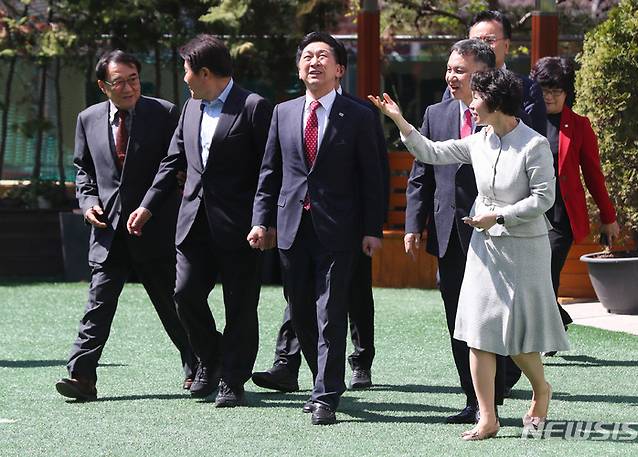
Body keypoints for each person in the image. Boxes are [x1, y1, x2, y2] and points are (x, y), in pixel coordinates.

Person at [370, 68, 570, 439]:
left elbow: (544, 199)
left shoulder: (534, 145)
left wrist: (500, 216)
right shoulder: (478, 140)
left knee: (517, 336)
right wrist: (398, 119)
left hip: (524, 250)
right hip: (484, 249)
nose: (470, 104)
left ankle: (541, 389)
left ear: (495, 102)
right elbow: (430, 151)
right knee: (477, 332)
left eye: (476, 97)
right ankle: (487, 417)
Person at [127, 34, 273, 407]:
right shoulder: (190, 108)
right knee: (184, 294)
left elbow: (269, 171)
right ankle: (210, 359)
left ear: (204, 72)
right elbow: (172, 161)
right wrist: (148, 205)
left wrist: (264, 221)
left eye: (187, 71)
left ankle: (233, 380)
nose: (185, 78)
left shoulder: (254, 107)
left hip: (241, 228)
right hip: (192, 221)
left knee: (240, 305)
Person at [249, 31, 384, 425]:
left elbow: (372, 177)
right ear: (299, 66)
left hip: (340, 230)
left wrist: (372, 229)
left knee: (330, 311)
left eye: (323, 56)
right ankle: (318, 381)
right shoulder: (284, 112)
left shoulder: (359, 115)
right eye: (307, 56)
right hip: (292, 227)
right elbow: (270, 172)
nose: (314, 62)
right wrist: (262, 220)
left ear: (339, 69)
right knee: (301, 312)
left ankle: (326, 394)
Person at [55, 50, 195, 401]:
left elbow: (172, 164)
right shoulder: (87, 119)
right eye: (120, 81)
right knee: (97, 306)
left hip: (155, 228)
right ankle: (81, 376)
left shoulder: (163, 113)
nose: (130, 87)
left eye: (134, 78)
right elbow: (84, 169)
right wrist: (87, 204)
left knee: (173, 303)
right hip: (108, 232)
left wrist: (149, 206)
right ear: (104, 86)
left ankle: (200, 365)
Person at [405, 39, 508, 425]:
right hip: (448, 233)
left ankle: (504, 379)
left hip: (493, 234)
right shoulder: (436, 113)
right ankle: (475, 400)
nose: (451, 76)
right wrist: (414, 224)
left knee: (496, 316)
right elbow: (422, 175)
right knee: (458, 318)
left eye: (459, 70)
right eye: (449, 69)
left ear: (481, 74)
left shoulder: (502, 115)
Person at [530, 56, 619, 342]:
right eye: (544, 89)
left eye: (556, 90)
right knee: (533, 274)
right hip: (529, 211)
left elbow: (593, 174)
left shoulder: (579, 126)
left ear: (567, 92)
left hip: (561, 216)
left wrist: (609, 217)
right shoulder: (525, 119)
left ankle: (547, 333)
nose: (550, 96)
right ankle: (558, 318)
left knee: (547, 271)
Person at [443, 10, 546, 137]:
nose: (481, 46)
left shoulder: (527, 89)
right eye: (475, 40)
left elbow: (535, 140)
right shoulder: (455, 86)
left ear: (507, 45)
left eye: (489, 40)